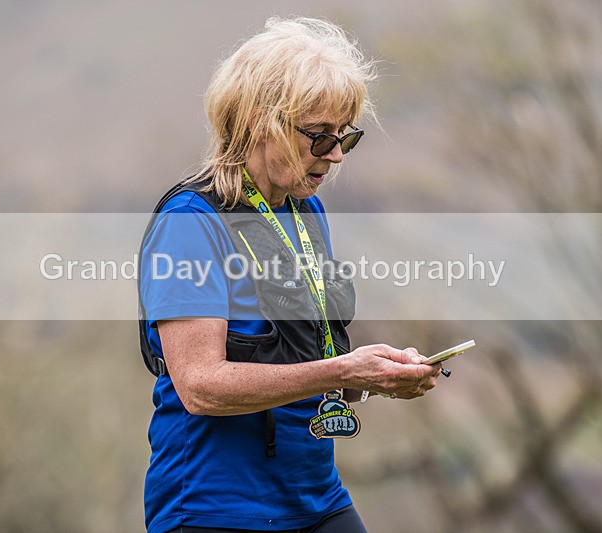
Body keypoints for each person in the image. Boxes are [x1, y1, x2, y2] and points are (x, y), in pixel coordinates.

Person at [138, 17, 442, 533]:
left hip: (316, 496)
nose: (336, 154)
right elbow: (201, 386)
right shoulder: (191, 222)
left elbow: (301, 360)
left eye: (345, 136)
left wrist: (379, 376)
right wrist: (343, 371)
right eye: (320, 136)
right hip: (216, 506)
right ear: (261, 122)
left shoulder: (306, 210)